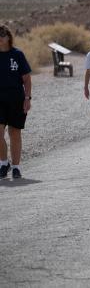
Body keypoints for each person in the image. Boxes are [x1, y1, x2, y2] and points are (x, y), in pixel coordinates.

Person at [0, 24, 32, 179]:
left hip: (16, 100)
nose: (0, 38)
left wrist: (27, 98)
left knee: (14, 132)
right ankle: (3, 163)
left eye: (2, 34)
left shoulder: (17, 54)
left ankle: (16, 167)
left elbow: (26, 79)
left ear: (8, 37)